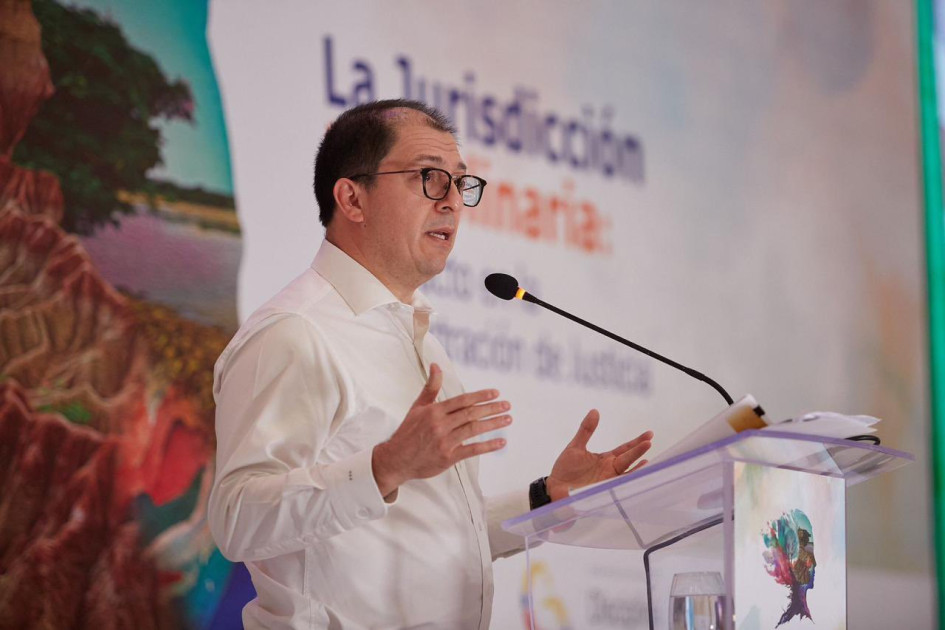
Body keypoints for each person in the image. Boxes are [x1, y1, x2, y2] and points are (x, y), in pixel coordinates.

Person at [208, 99, 653, 629]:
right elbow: (237, 518)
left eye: (459, 182)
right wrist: (384, 467)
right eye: (428, 177)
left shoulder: (416, 338)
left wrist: (545, 498)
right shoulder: (296, 332)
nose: (452, 202)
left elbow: (433, 540)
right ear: (352, 197)